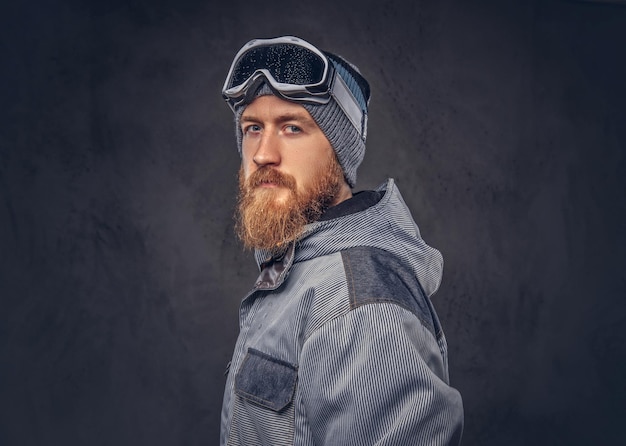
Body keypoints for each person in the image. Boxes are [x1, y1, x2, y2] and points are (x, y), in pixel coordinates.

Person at [219, 35, 463, 446]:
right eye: (252, 128)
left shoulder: (360, 304)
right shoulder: (300, 273)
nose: (262, 154)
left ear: (339, 152)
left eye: (292, 127)